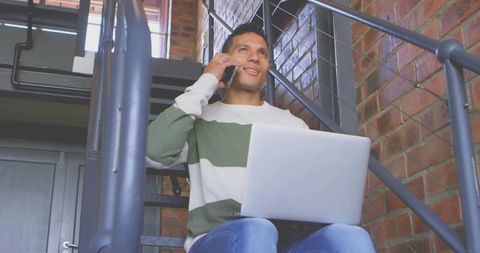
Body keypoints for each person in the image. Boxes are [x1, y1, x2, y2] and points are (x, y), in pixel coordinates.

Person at [146, 23, 375, 253]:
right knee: (257, 229)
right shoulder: (197, 119)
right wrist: (207, 81)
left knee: (350, 235)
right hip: (219, 239)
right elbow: (152, 152)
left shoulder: (292, 125)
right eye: (244, 50)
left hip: (284, 242)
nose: (255, 57)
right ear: (225, 60)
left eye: (262, 53)